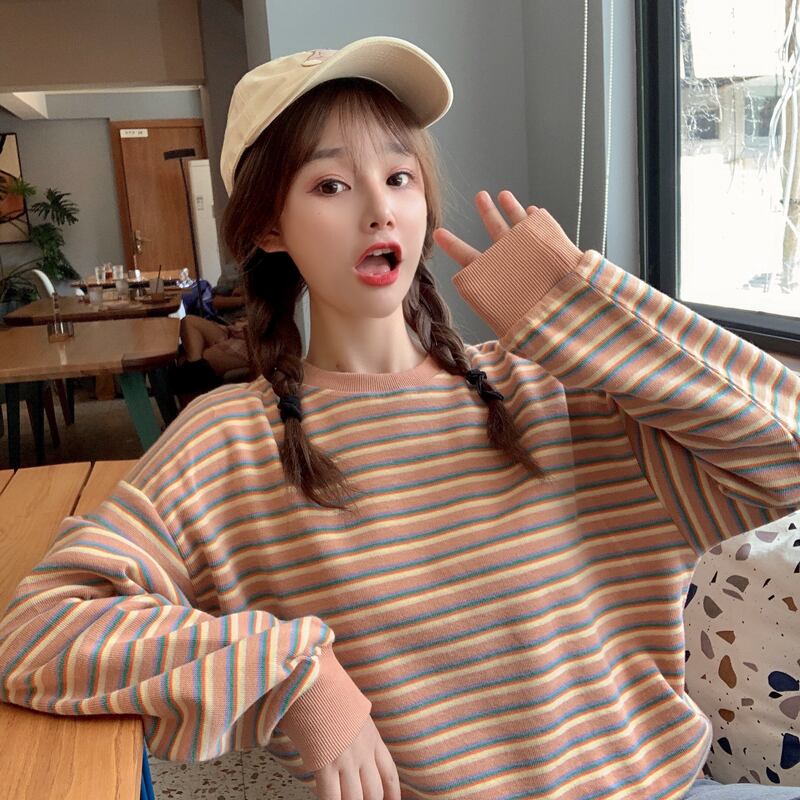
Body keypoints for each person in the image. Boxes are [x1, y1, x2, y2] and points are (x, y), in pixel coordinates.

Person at [0, 36, 799, 800]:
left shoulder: (553, 390)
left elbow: (783, 455)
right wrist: (292, 672)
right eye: (331, 185)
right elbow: (39, 631)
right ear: (270, 226)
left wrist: (579, 311)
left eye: (400, 176)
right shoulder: (229, 446)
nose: (380, 210)